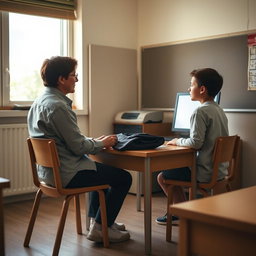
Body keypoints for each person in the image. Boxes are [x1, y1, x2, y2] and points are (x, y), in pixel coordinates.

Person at [27, 56, 132, 243]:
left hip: (48, 174)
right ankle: (101, 226)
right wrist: (103, 143)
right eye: (73, 75)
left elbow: (67, 141)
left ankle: (98, 222)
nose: (76, 79)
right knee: (123, 178)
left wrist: (96, 141)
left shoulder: (39, 102)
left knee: (93, 166)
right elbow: (78, 147)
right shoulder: (58, 107)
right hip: (67, 174)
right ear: (61, 79)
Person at [156, 68, 229, 225]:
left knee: (163, 176)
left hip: (203, 173)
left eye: (191, 85)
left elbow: (195, 143)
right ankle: (185, 211)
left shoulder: (200, 112)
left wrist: (177, 141)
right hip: (219, 171)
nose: (189, 89)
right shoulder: (219, 110)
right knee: (173, 172)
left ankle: (182, 213)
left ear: (202, 89)